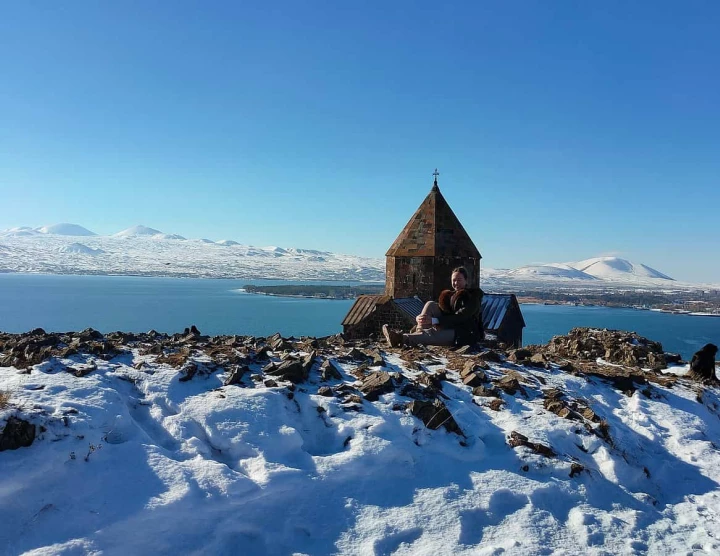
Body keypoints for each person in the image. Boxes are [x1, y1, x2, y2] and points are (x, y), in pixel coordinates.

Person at [382, 267, 483, 348]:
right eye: (454, 280)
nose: (456, 283)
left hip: (464, 332)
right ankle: (420, 331)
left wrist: (435, 321)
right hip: (450, 325)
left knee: (432, 333)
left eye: (459, 280)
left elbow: (461, 317)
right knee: (430, 304)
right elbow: (444, 313)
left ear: (466, 280)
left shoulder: (472, 297)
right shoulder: (451, 296)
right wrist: (420, 318)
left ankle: (400, 339)